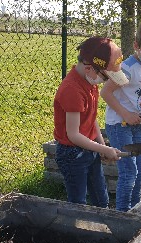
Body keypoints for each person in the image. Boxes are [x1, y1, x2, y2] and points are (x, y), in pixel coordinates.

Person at [100, 22, 141, 211]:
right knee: (129, 171)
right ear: (136, 46)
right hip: (119, 124)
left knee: (140, 171)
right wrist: (126, 114)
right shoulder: (127, 68)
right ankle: (123, 212)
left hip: (136, 124)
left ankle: (135, 210)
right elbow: (106, 93)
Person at [53, 37, 124, 207]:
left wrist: (100, 145)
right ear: (88, 68)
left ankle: (102, 229)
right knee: (78, 203)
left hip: (89, 147)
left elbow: (91, 119)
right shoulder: (72, 90)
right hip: (72, 154)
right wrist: (104, 148)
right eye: (105, 77)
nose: (105, 81)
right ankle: (77, 231)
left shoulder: (90, 82)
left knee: (101, 199)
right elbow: (74, 135)